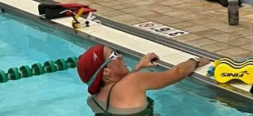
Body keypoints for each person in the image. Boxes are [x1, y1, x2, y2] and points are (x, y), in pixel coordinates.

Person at [76, 44, 211, 116]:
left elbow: (121, 87)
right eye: (114, 55)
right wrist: (195, 60)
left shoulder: (93, 100)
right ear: (106, 72)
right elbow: (177, 72)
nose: (121, 56)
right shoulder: (135, 81)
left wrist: (138, 66)